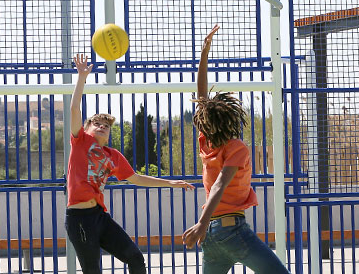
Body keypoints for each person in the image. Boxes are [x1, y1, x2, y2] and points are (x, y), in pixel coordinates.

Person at [64, 53, 194, 274]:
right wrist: (81, 78)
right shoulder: (80, 141)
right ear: (86, 128)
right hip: (79, 219)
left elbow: (136, 178)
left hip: (99, 216)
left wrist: (170, 183)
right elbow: (75, 110)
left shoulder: (113, 155)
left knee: (135, 258)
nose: (102, 126)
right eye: (96, 123)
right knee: (92, 270)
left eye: (106, 125)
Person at [182, 25, 289, 274]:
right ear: (232, 119)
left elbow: (201, 98)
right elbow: (219, 185)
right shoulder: (236, 148)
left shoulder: (206, 142)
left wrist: (204, 56)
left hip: (212, 236)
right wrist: (200, 223)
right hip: (231, 230)